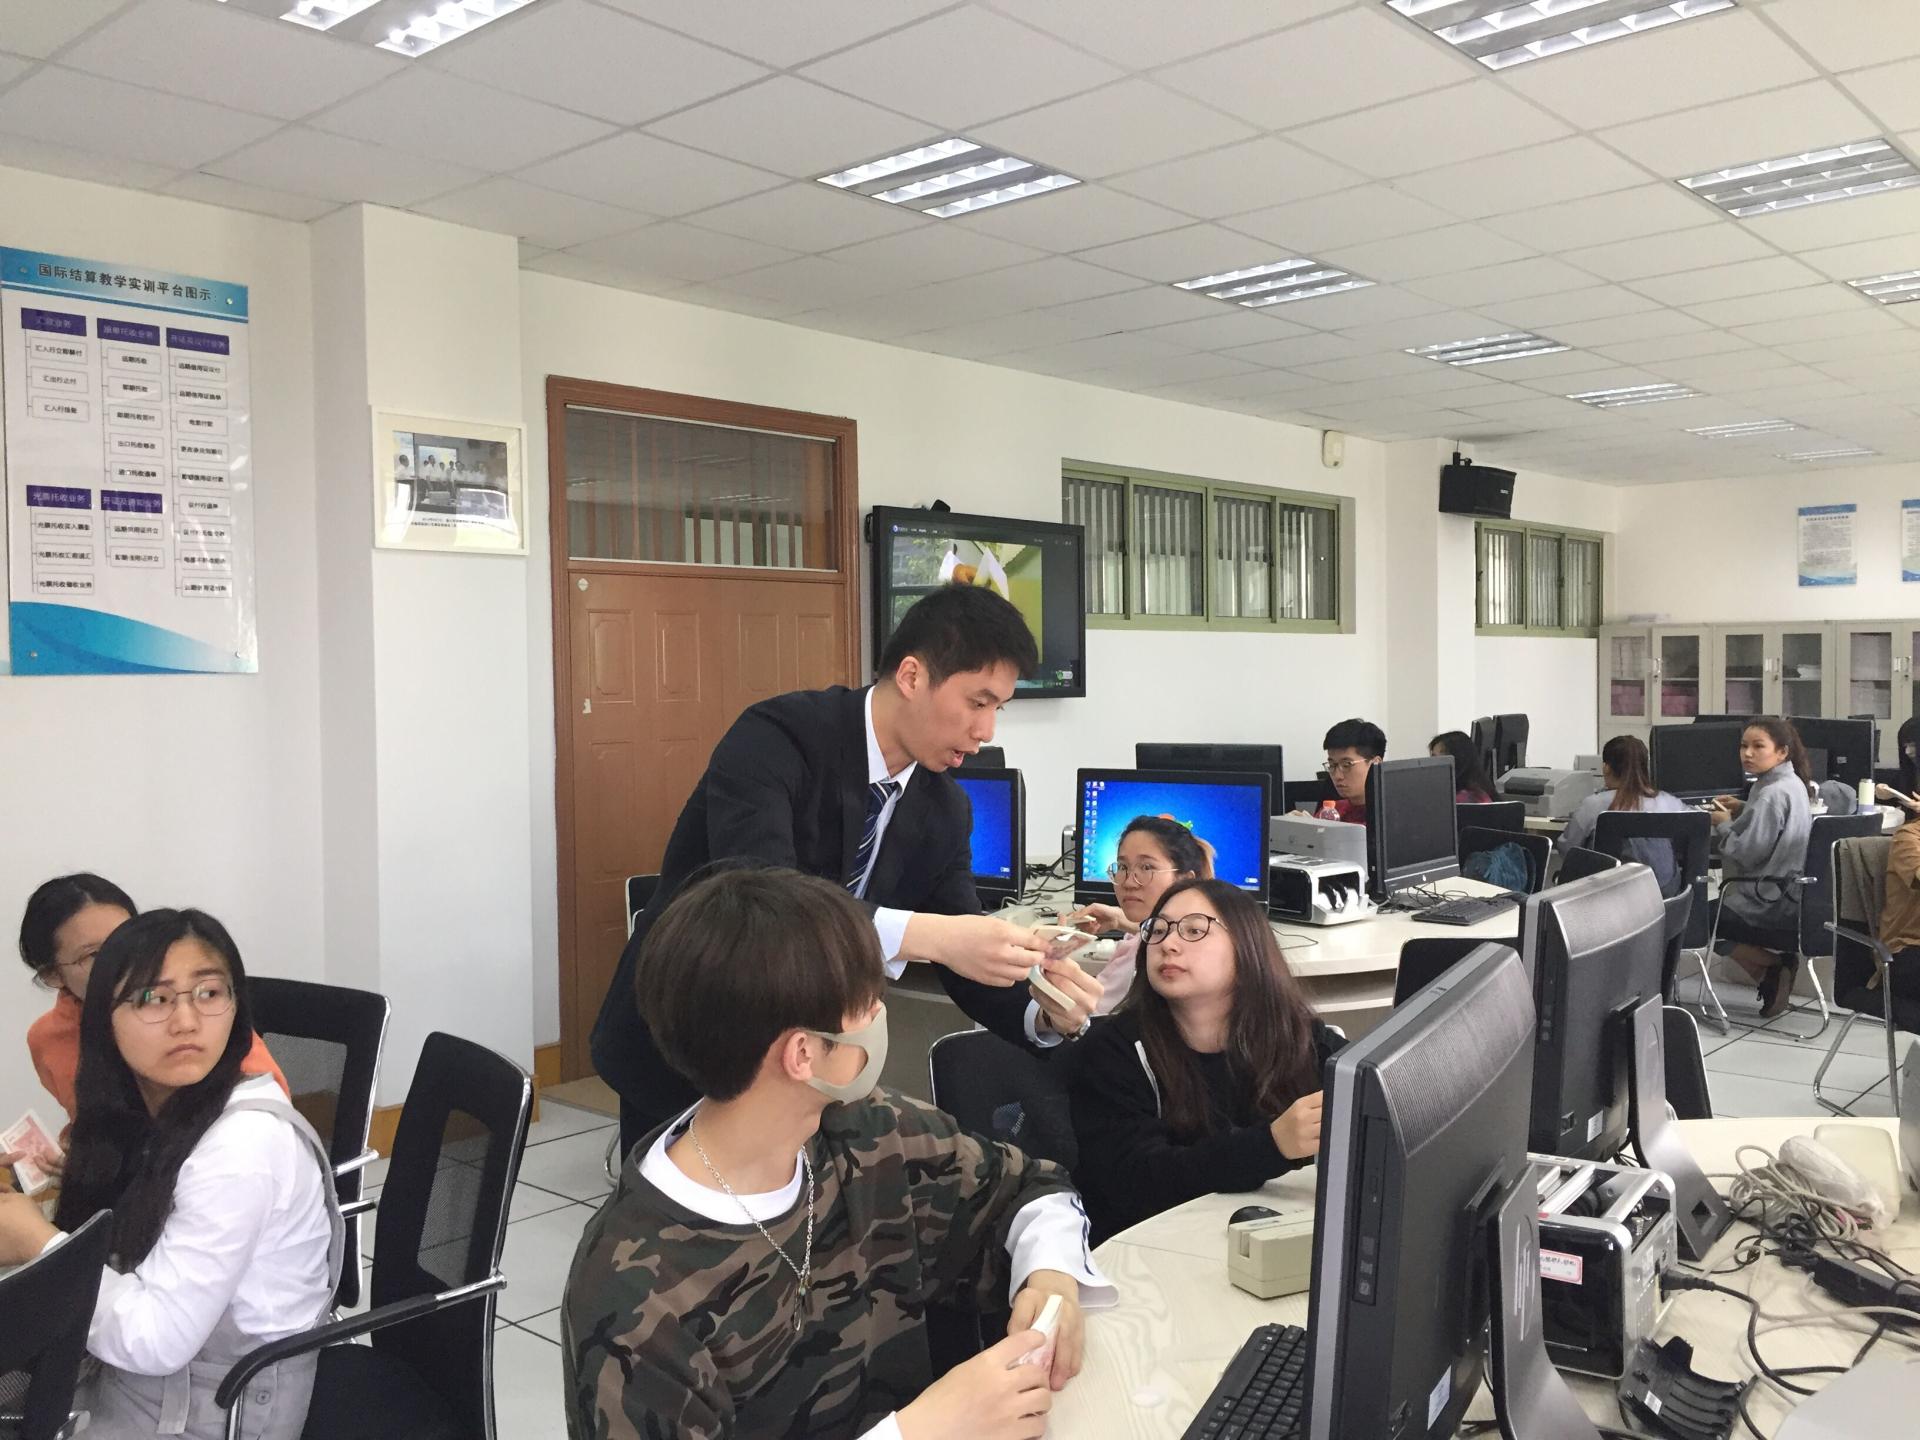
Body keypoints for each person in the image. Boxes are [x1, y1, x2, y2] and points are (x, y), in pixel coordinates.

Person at [563, 867, 1113, 1440]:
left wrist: (1049, 1275)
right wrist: (921, 1431)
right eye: (868, 1002)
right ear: (802, 1054)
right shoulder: (633, 1296)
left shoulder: (868, 1130)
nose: (879, 1015)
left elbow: (1029, 1188)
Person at [592, 585, 1103, 1154]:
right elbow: (759, 896)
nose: (986, 733)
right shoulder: (777, 737)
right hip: (691, 1027)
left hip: (806, 1060)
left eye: (997, 710)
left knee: (799, 1204)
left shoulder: (944, 808)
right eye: (977, 703)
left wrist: (1042, 1012)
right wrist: (935, 935)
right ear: (911, 676)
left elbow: (961, 948)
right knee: (678, 1199)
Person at [0, 909, 340, 1440]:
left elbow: (156, 1341)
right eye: (152, 998)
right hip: (143, 1379)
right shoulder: (164, 1105)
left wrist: (38, 1243)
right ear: (103, 1020)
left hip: (217, 1407)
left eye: (209, 993)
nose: (186, 1021)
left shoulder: (243, 1147)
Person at [1067, 878, 1345, 1245]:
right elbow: (1134, 1182)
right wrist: (1272, 1145)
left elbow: (1377, 1089)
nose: (1168, 944)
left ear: (1247, 945)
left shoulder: (1298, 1037)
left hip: (1275, 1239)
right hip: (1147, 1251)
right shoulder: (1113, 1050)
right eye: (1158, 930)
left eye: (1194, 930)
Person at [10, 874, 288, 1175]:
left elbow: (267, 1124)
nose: (122, 961)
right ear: (52, 974)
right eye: (94, 954)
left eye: (128, 939)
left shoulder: (201, 1025)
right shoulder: (49, 1040)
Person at [1708, 717, 1814, 1018]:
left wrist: (1723, 824)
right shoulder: (1789, 783)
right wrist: (1744, 808)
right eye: (1744, 746)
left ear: (1782, 752)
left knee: (1697, 919)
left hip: (1765, 899)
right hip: (1789, 895)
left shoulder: (1770, 794)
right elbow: (1772, 824)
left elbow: (1745, 855)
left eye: (1758, 746)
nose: (1748, 753)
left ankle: (1774, 966)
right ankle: (1773, 976)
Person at [1062, 815, 1212, 1014]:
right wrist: (1120, 920)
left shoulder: (1161, 960)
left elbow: (1081, 1018)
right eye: (1122, 867)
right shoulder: (1165, 935)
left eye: (1147, 867)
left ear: (1184, 880)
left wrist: (1053, 957)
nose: (1129, 882)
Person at [1557, 735, 1689, 893]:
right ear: (1645, 767)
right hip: (1664, 898)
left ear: (1606, 768)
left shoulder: (1593, 805)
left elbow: (1568, 849)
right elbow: (1698, 820)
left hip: (1609, 898)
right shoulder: (1667, 802)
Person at [1321, 718, 1385, 824]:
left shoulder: (1391, 815)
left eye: (1347, 765)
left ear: (1375, 764)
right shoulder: (1331, 812)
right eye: (1332, 765)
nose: (1337, 776)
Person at [1429, 730, 1497, 803]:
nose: (1431, 764)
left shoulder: (1461, 800)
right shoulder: (1479, 792)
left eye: (1436, 758)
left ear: (1457, 760)